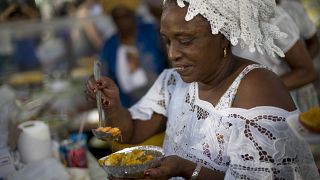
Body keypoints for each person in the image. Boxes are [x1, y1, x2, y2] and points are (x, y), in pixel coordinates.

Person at [86, 0, 319, 179]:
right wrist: (113, 104)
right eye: (167, 41)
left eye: (185, 41)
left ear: (223, 37)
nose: (172, 54)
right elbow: (132, 131)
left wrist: (186, 169)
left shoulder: (256, 89)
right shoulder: (173, 81)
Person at [232, 4, 318, 113]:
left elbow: (307, 71)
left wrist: (259, 90)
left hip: (275, 102)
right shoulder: (222, 20)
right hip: (244, 105)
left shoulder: (273, 18)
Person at [100, 2, 167, 107]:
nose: (122, 21)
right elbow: (104, 76)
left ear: (133, 14)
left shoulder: (152, 33)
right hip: (129, 109)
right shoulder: (109, 46)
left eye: (125, 16)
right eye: (117, 18)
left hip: (162, 102)